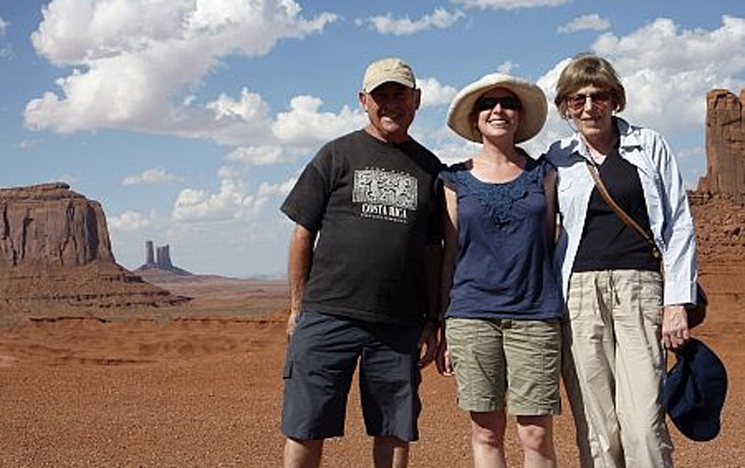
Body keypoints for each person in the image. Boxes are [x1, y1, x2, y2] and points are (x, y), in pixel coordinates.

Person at [279, 57, 443, 468]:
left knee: (394, 428)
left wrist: (433, 316)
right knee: (305, 425)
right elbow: (303, 233)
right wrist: (298, 307)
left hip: (398, 323)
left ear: (417, 100)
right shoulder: (336, 155)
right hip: (327, 314)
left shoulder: (430, 168)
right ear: (363, 101)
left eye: (399, 94)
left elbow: (432, 250)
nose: (390, 103)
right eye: (380, 95)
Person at [544, 53, 699, 467]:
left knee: (644, 421)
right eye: (577, 100)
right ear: (565, 107)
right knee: (596, 428)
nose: (589, 107)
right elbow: (542, 230)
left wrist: (676, 301)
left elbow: (679, 226)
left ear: (615, 99)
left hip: (640, 289)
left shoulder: (649, 146)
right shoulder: (557, 157)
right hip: (577, 296)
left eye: (599, 96)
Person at [436, 73, 564, 468]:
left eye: (507, 103)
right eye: (488, 105)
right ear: (475, 120)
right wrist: (441, 321)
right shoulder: (453, 180)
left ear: (519, 115)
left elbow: (548, 238)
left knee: (536, 433)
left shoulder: (543, 174)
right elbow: (450, 252)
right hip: (472, 316)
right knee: (487, 431)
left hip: (535, 315)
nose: (498, 110)